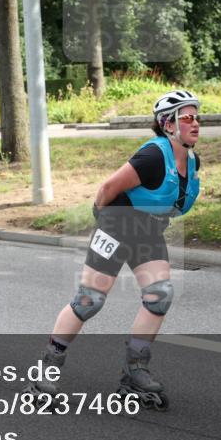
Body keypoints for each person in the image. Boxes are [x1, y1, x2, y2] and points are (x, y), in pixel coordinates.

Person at [27, 90, 203, 410]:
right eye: (187, 117)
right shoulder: (152, 157)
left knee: (160, 295)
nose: (195, 123)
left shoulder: (192, 162)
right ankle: (46, 370)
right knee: (89, 300)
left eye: (196, 117)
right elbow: (108, 188)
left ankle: (135, 371)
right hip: (116, 225)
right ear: (168, 124)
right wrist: (104, 219)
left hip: (147, 231)